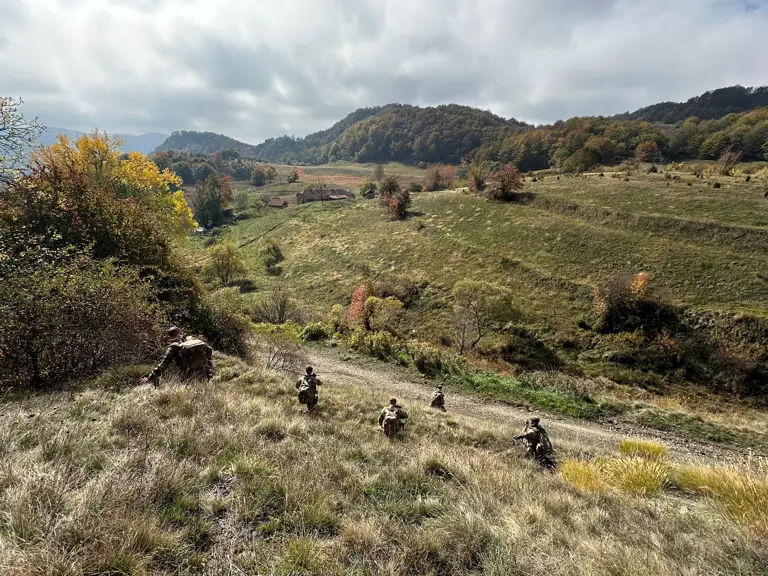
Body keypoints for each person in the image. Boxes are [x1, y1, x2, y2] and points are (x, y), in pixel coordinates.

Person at [142, 326, 213, 386]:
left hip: (189, 375)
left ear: (170, 336)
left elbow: (164, 363)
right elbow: (209, 349)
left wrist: (151, 376)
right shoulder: (193, 340)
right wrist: (209, 365)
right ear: (181, 333)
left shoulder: (175, 346)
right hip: (204, 372)